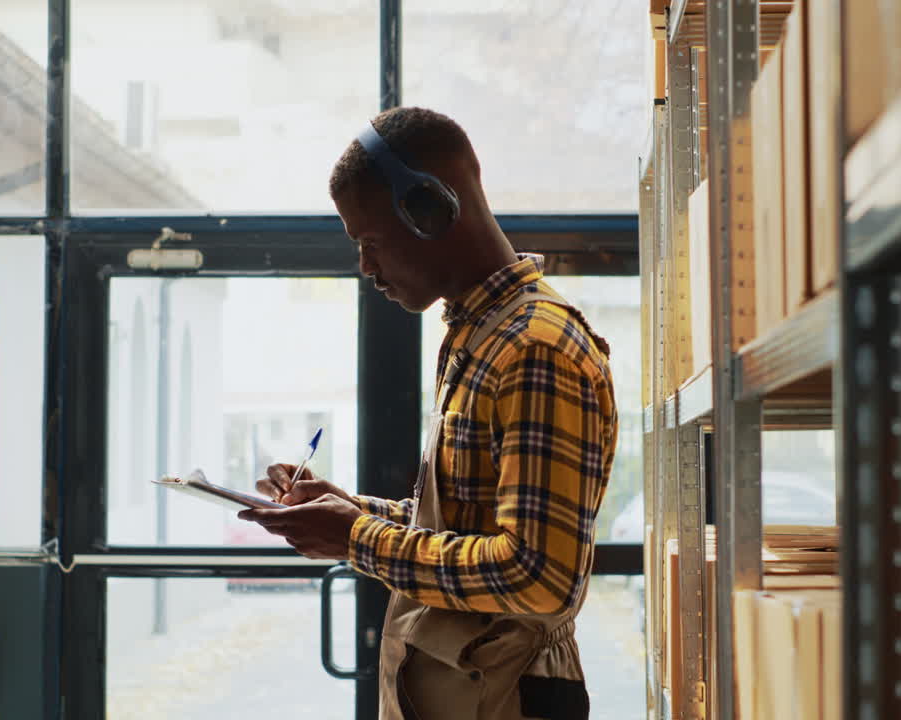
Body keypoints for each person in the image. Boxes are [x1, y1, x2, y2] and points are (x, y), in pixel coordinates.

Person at [239, 107, 618, 720]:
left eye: (369, 243)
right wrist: (346, 510)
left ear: (430, 211)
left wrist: (356, 538)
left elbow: (540, 578)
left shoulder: (535, 349)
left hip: (508, 696)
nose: (366, 269)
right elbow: (467, 526)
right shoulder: (481, 337)